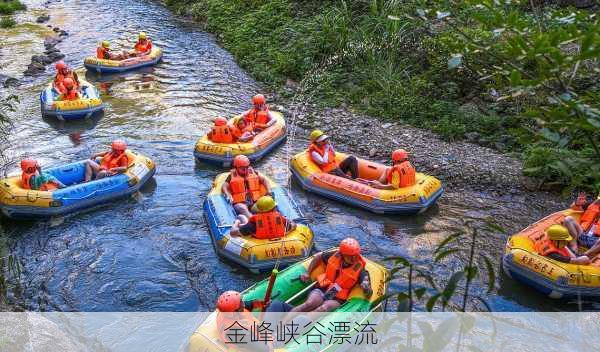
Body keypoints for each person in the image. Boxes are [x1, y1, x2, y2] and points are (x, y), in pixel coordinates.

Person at [291, 238, 372, 313]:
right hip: (322, 288)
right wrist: (307, 273)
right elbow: (318, 257)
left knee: (322, 309)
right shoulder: (334, 256)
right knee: (310, 303)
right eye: (350, 256)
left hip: (337, 298)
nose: (354, 258)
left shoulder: (361, 270)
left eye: (356, 255)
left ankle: (300, 324)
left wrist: (366, 288)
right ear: (342, 254)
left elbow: (369, 293)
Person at [230, 195, 296, 238]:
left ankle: (239, 220)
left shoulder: (253, 225)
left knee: (241, 217)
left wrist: (236, 223)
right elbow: (294, 225)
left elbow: (232, 233)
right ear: (274, 208)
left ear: (259, 210)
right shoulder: (280, 219)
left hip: (258, 247)